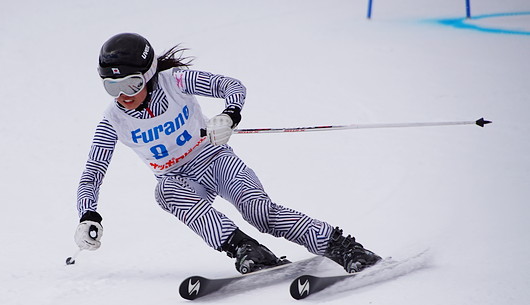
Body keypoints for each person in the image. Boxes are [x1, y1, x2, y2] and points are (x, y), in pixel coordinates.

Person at [74, 32, 381, 274]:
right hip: (181, 182)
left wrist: (229, 115)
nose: (123, 96)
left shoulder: (176, 82)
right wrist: (87, 214)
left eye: (131, 83)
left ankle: (344, 248)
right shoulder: (113, 121)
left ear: (150, 74)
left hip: (215, 160)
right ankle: (245, 248)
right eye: (111, 87)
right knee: (164, 190)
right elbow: (92, 173)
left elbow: (231, 86)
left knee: (260, 213)